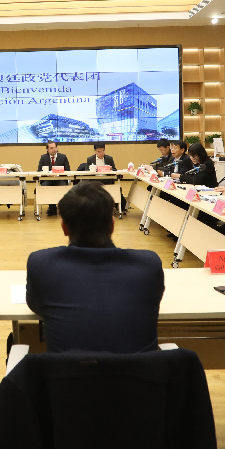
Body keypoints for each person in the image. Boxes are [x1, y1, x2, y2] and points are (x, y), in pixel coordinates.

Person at [26, 181, 164, 353]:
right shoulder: (148, 265)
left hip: (67, 371)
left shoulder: (41, 264)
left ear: (64, 228)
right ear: (112, 225)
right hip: (140, 371)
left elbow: (36, 306)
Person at [37, 141, 71, 216]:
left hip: (60, 179)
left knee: (62, 187)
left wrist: (58, 174)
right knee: (45, 187)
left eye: (55, 147)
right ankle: (52, 206)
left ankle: (60, 207)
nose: (54, 149)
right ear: (47, 150)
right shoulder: (43, 157)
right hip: (48, 179)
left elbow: (68, 170)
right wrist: (48, 174)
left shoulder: (63, 157)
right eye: (51, 148)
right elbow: (39, 170)